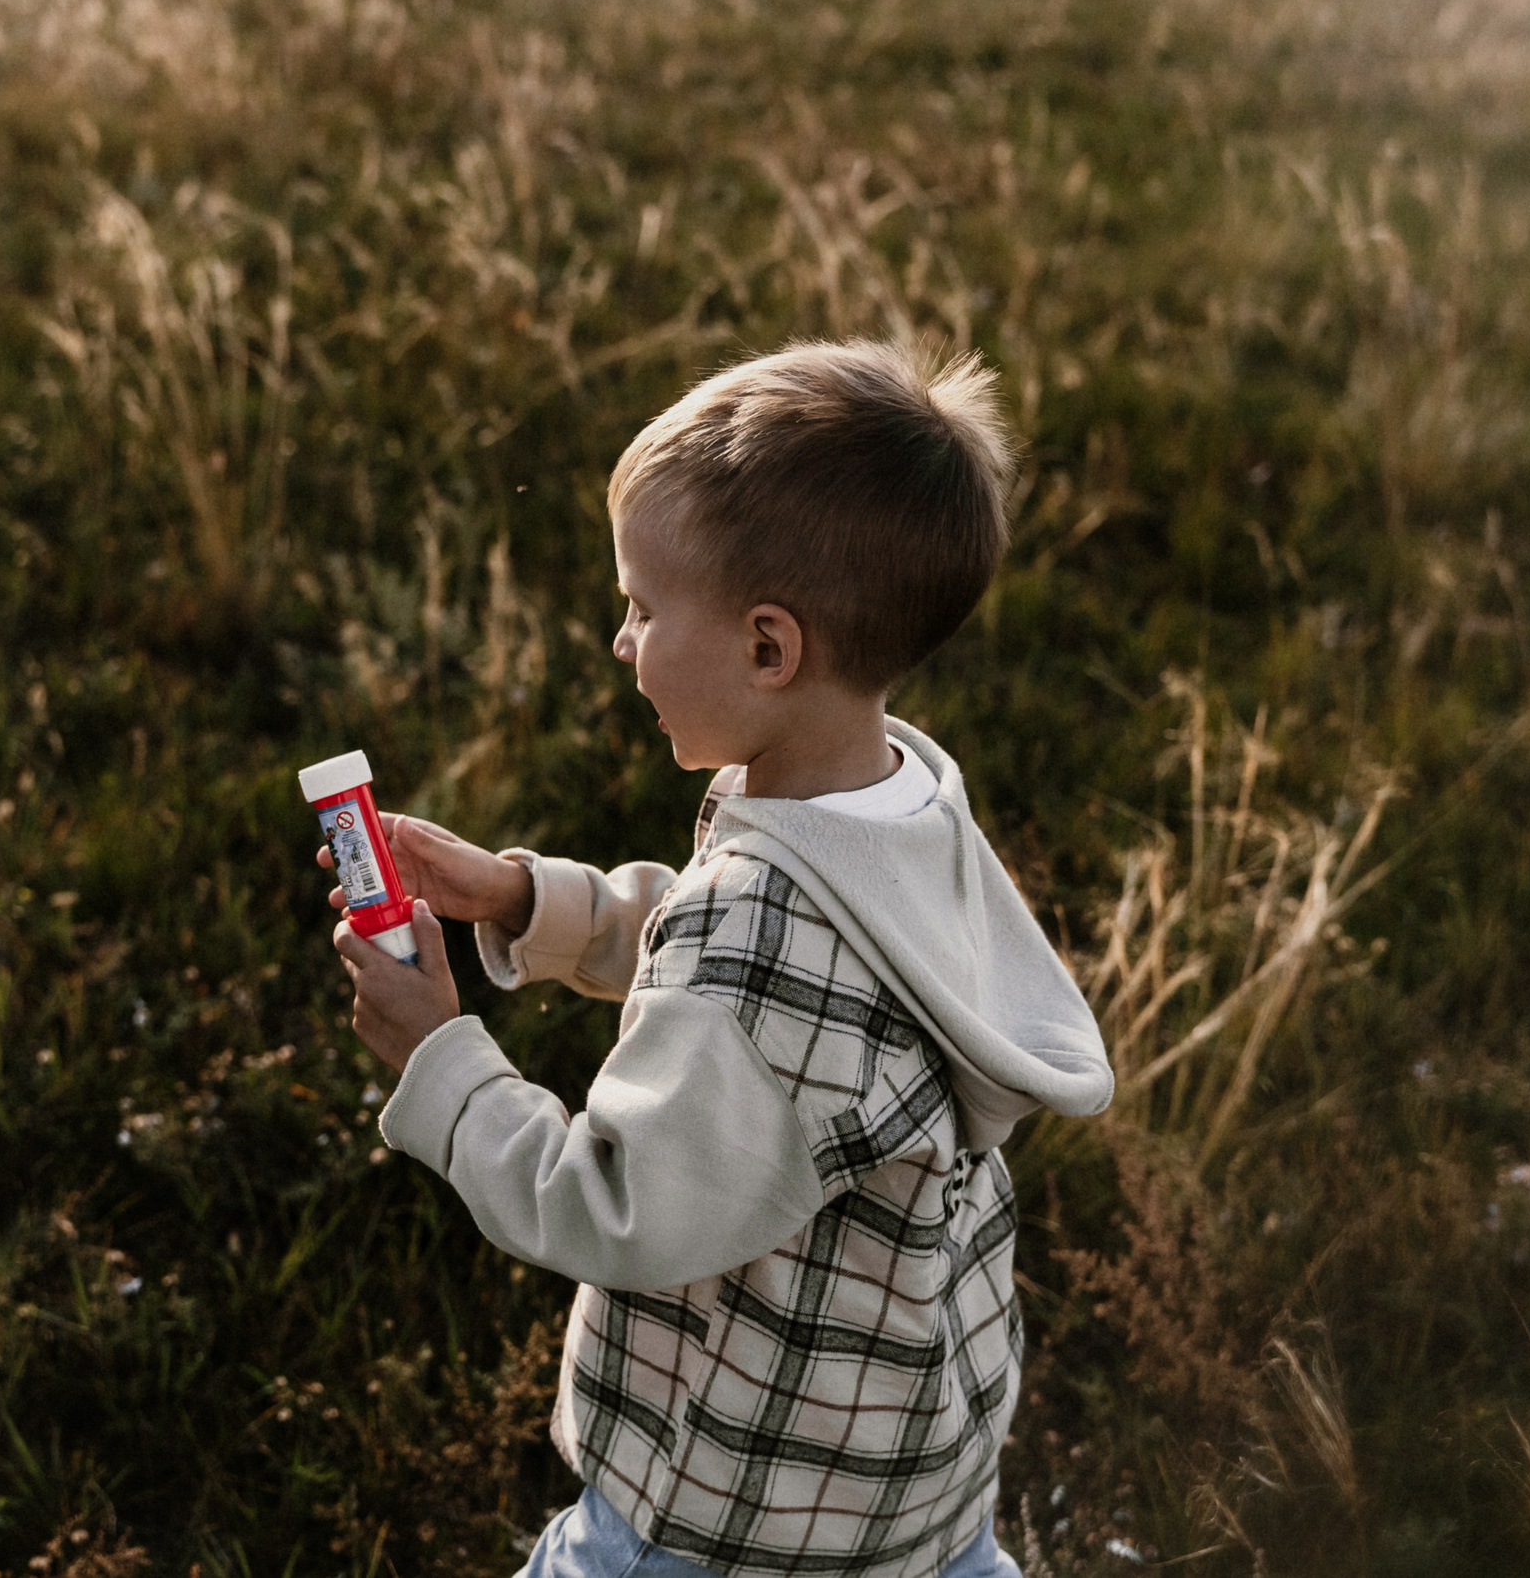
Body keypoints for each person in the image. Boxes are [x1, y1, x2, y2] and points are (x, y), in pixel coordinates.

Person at [318, 340, 1113, 1578]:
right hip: (908, 1482)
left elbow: (604, 1204)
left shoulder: (755, 942)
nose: (618, 643)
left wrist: (441, 1057)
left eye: (640, 608)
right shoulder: (903, 802)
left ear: (766, 650)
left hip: (731, 1514)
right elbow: (763, 971)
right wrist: (539, 901)